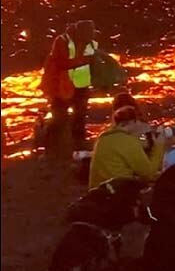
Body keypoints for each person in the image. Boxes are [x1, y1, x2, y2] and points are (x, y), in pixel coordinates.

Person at [39, 20, 98, 158]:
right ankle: (52, 149)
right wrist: (84, 60)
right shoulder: (62, 41)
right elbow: (61, 62)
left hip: (80, 85)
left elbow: (93, 64)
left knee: (80, 116)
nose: (90, 37)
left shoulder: (90, 42)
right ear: (80, 32)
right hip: (60, 86)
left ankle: (77, 144)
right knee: (59, 118)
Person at [89, 105, 167, 188]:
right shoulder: (128, 141)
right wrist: (159, 145)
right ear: (133, 122)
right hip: (118, 194)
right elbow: (148, 174)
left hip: (98, 193)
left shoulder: (103, 139)